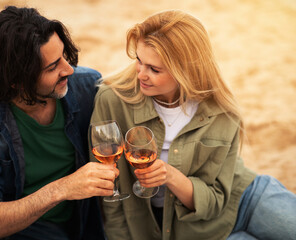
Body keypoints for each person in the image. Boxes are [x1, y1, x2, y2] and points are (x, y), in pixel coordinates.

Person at [90, 10, 296, 240]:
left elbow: (216, 200)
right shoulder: (112, 99)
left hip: (247, 196)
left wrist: (169, 175)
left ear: (184, 71)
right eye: (139, 61)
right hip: (201, 232)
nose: (141, 74)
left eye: (154, 69)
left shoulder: (221, 110)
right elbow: (110, 194)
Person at [0, 6, 118, 240]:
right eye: (53, 67)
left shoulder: (87, 87)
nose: (69, 69)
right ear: (16, 81)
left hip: (73, 223)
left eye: (63, 55)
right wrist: (62, 188)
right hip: (9, 216)